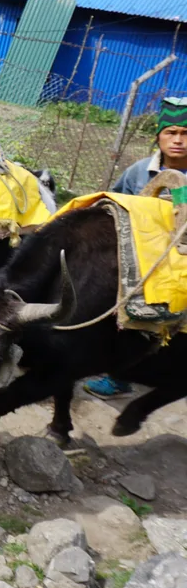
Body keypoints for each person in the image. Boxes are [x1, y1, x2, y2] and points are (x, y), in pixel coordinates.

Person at [84, 96, 187, 399]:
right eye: (171, 132)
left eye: (186, 133)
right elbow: (115, 206)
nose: (178, 140)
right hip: (140, 260)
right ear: (158, 136)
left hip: (181, 262)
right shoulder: (139, 172)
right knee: (121, 314)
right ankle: (119, 378)